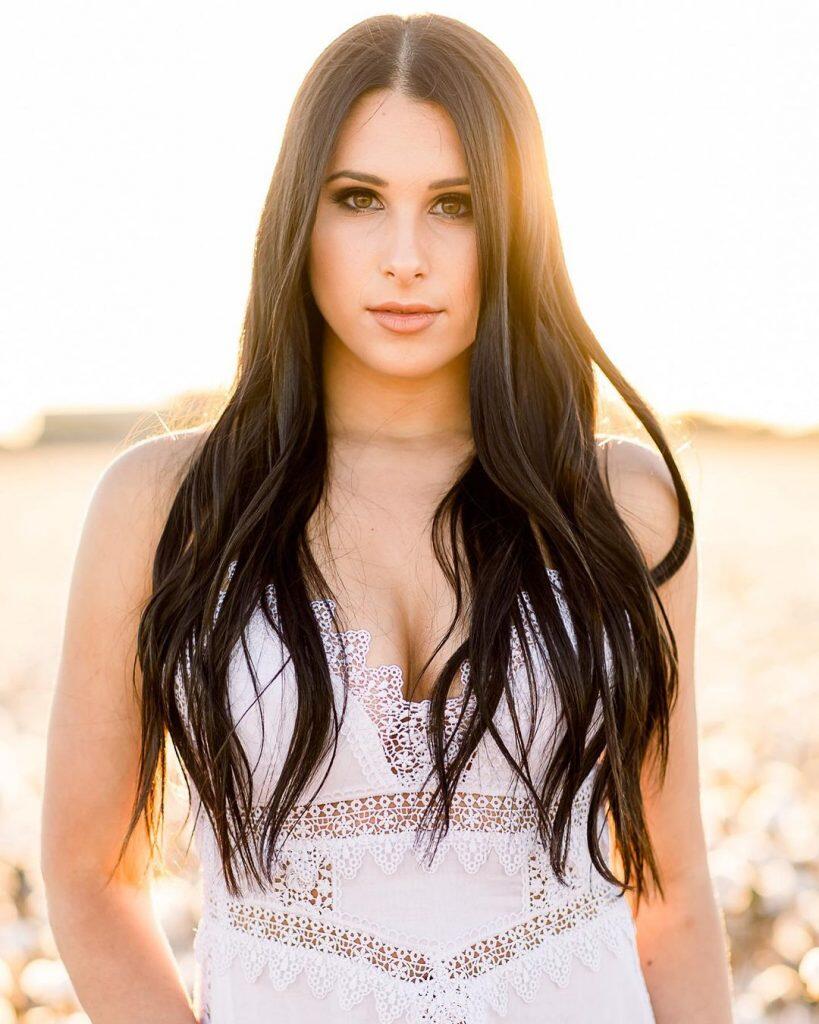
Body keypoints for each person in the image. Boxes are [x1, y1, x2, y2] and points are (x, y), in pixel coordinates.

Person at [40, 12, 734, 1024]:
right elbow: (86, 874)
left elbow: (670, 892)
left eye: (454, 204)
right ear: (298, 216)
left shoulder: (621, 506)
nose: (404, 256)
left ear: (516, 223)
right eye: (359, 198)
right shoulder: (163, 507)